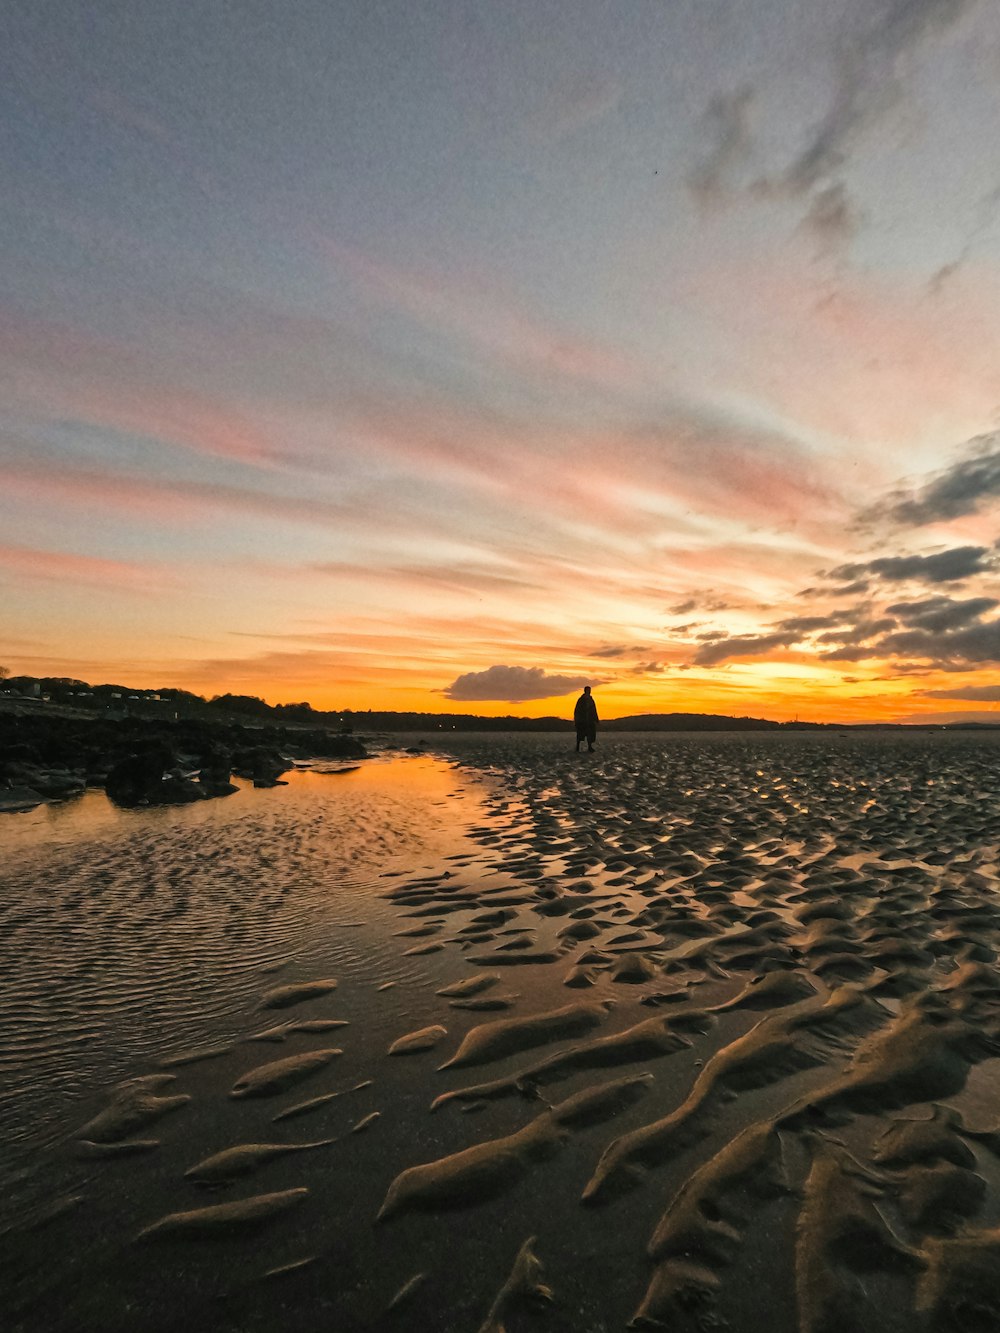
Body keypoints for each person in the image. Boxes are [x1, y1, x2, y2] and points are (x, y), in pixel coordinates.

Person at [574, 685, 598, 752]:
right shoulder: (581, 700)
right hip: (582, 720)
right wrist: (577, 719)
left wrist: (596, 719)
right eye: (588, 690)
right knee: (580, 734)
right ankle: (577, 747)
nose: (589, 692)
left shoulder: (591, 700)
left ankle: (589, 747)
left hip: (589, 720)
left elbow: (594, 710)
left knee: (590, 734)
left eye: (590, 690)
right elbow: (577, 710)